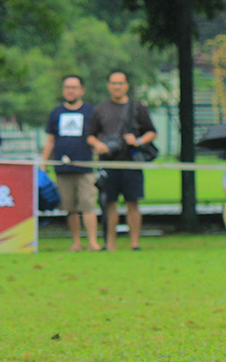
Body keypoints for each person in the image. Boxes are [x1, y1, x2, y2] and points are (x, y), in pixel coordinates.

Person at [85, 70, 157, 251]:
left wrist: (138, 141)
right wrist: (99, 145)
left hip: (131, 162)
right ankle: (110, 244)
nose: (117, 87)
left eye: (120, 83)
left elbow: (151, 132)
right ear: (108, 85)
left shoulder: (137, 107)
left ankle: (135, 244)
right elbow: (90, 135)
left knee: (132, 202)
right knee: (109, 203)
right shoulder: (100, 109)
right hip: (109, 163)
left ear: (126, 86)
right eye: (114, 83)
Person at [42, 75, 101, 251]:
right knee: (70, 208)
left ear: (81, 90)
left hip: (85, 168)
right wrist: (44, 163)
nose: (70, 91)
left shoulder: (91, 112)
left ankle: (93, 242)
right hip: (62, 169)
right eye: (67, 87)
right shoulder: (56, 112)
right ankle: (76, 243)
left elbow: (97, 136)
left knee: (88, 205)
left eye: (74, 87)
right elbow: (51, 140)